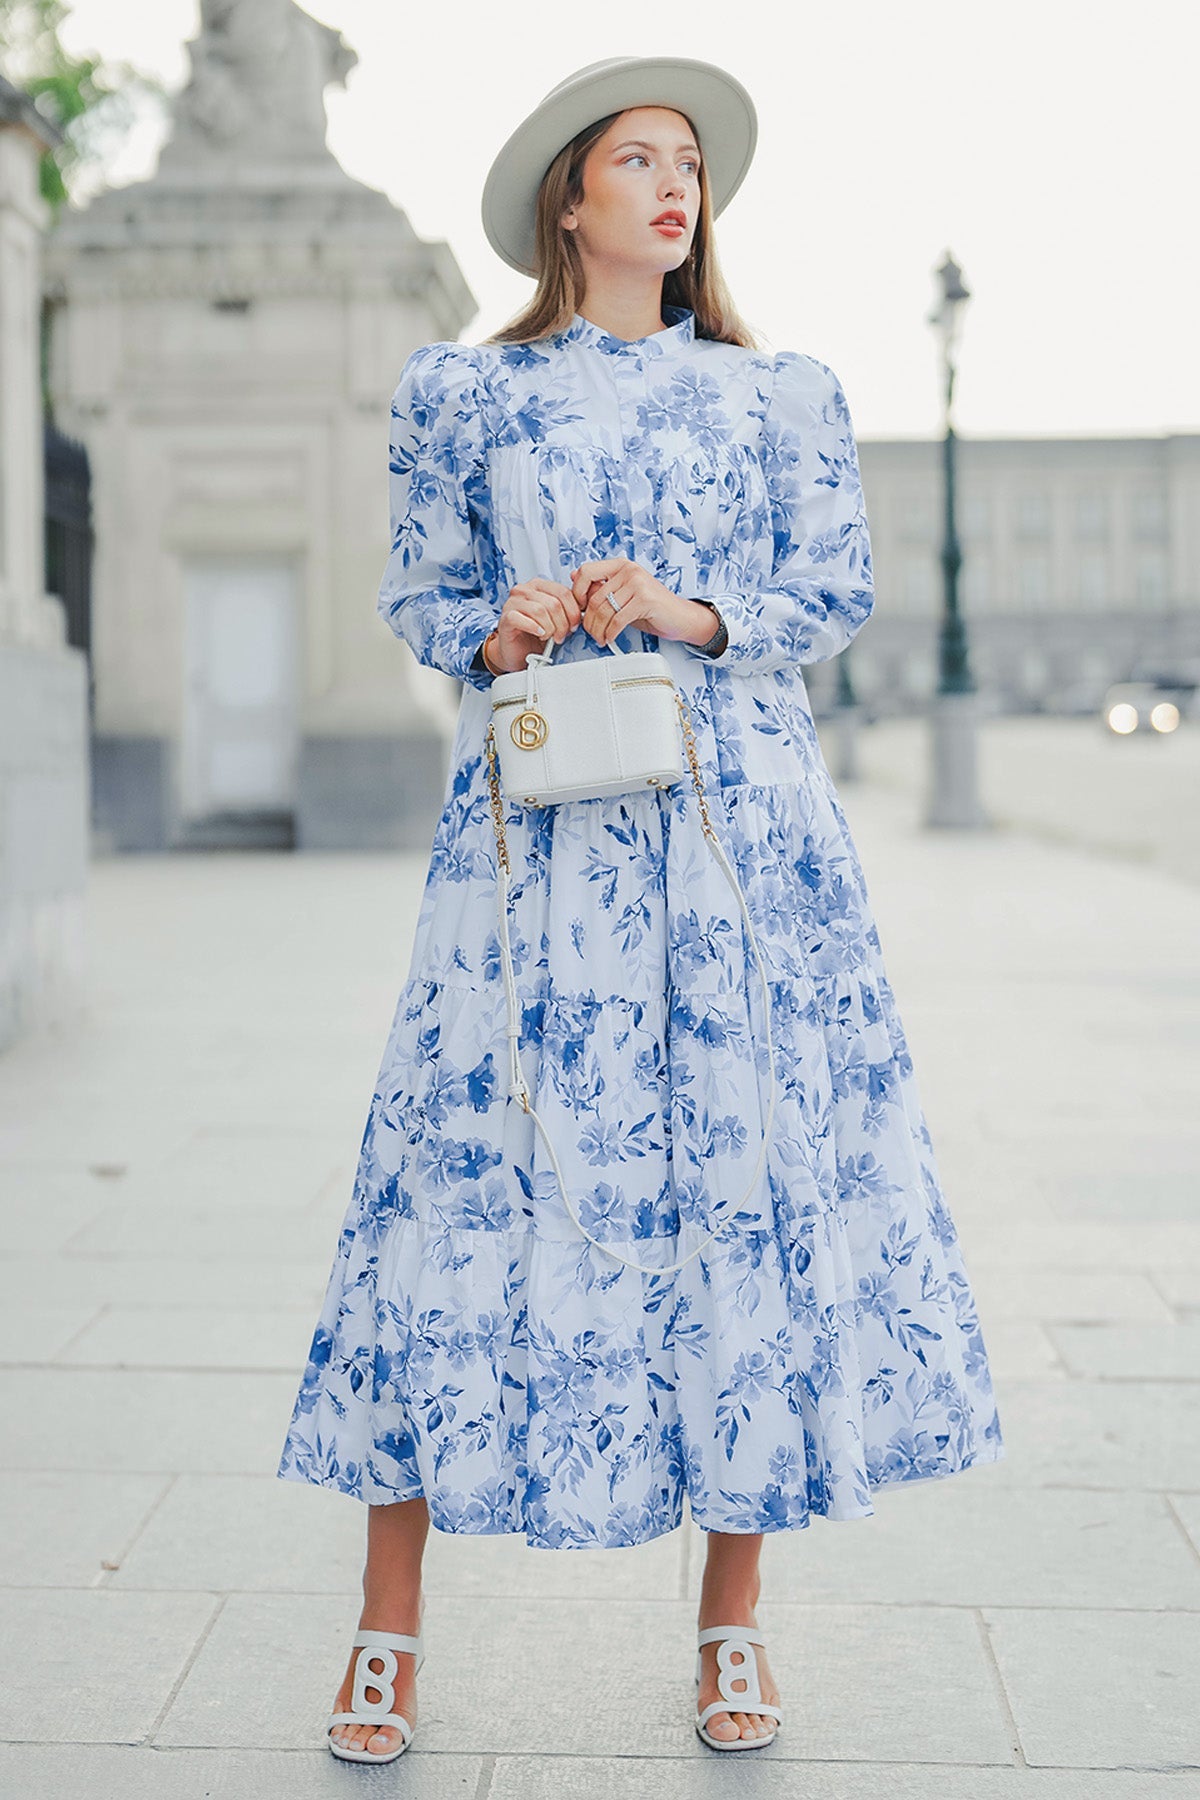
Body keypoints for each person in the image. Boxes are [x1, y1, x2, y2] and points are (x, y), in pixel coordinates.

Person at [275, 54, 1005, 1763]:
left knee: (738, 1199)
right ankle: (387, 1625)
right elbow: (418, 590)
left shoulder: (780, 396)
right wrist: (506, 626)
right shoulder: (469, 395)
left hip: (739, 839)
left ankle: (732, 1627)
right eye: (637, 161)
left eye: (688, 164)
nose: (673, 189)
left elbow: (831, 587)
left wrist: (680, 605)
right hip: (536, 853)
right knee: (462, 1185)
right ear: (569, 203)